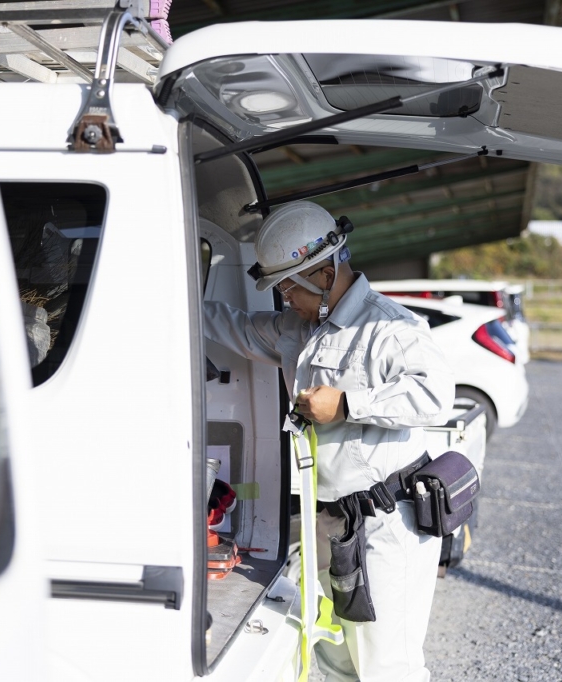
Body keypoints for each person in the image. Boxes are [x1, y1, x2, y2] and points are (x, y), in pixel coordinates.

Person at [202, 201, 455, 682]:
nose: (284, 300)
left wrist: (345, 405)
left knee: (387, 667)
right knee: (336, 656)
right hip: (331, 522)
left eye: (288, 288)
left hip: (384, 525)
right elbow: (235, 326)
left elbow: (434, 395)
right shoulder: (299, 329)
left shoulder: (389, 328)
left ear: (322, 273)